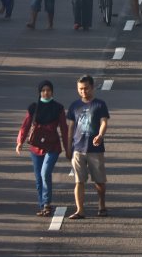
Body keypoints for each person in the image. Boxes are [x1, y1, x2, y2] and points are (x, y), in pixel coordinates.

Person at [16, 80, 71, 216]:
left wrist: (68, 148)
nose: (46, 93)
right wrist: (20, 142)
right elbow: (26, 125)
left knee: (45, 173)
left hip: (52, 147)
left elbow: (64, 129)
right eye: (43, 90)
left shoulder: (58, 108)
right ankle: (43, 206)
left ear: (52, 91)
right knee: (38, 178)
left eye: (48, 90)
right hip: (35, 148)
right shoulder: (34, 107)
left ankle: (46, 203)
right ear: (39, 92)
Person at [66, 75, 110, 218]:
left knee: (99, 181)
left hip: (95, 149)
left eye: (86, 88)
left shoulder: (100, 104)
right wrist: (68, 147)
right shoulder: (74, 106)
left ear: (92, 87)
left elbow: (104, 122)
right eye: (80, 89)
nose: (83, 91)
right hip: (78, 148)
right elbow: (71, 128)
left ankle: (101, 205)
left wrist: (100, 135)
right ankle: (80, 210)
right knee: (79, 181)